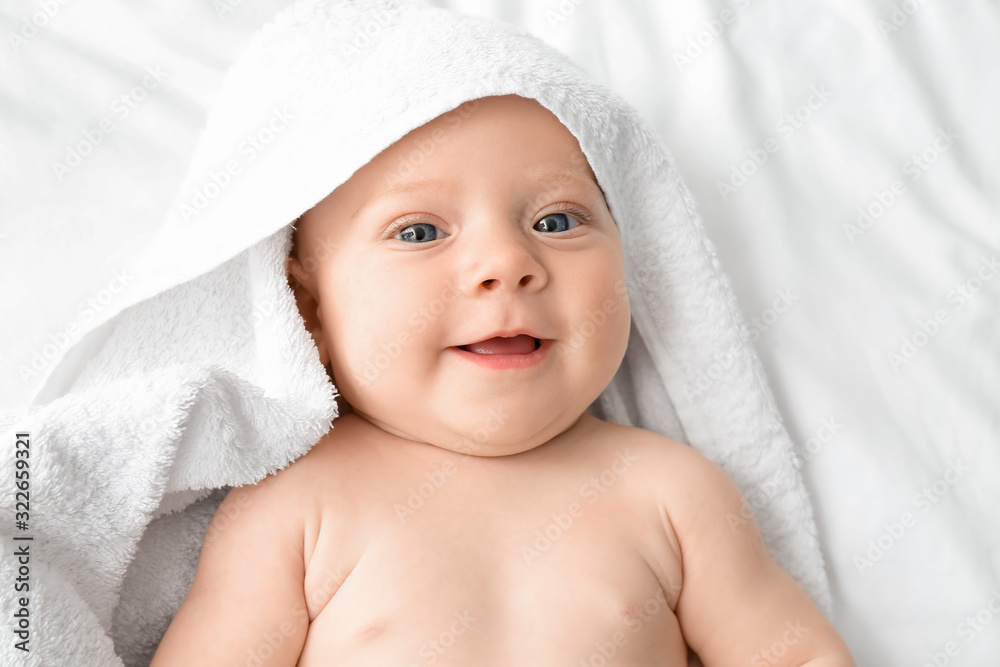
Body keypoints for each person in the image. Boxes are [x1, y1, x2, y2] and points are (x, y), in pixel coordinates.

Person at [149, 93, 854, 666]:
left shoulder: (671, 491)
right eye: (420, 231)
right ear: (310, 311)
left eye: (556, 219)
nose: (506, 261)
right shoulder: (295, 505)